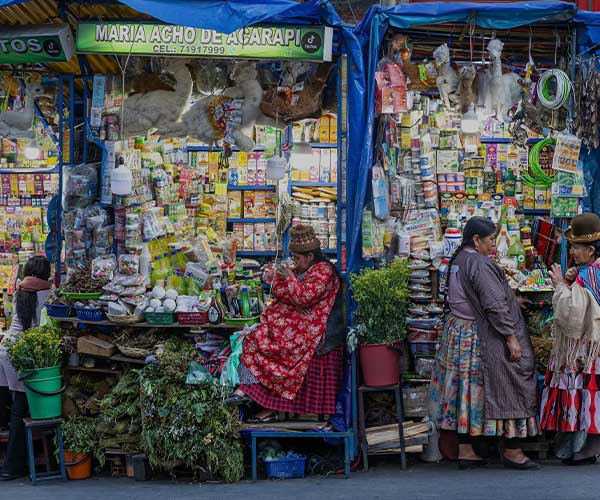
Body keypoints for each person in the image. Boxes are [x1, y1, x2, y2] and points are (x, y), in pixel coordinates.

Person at [429, 217, 539, 470]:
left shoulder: (460, 260)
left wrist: (514, 301)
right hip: (480, 337)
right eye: (490, 240)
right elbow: (493, 304)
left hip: (459, 334)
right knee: (507, 382)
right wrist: (511, 338)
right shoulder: (478, 263)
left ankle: (466, 449)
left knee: (465, 391)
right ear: (476, 240)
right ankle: (512, 450)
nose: (493, 245)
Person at [226, 224, 344, 423]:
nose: (295, 263)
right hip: (297, 322)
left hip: (312, 329)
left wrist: (291, 281)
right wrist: (289, 285)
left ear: (310, 256)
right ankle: (247, 390)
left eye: (298, 259)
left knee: (263, 342)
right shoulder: (304, 269)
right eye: (294, 259)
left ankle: (255, 397)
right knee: (254, 339)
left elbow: (303, 298)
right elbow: (281, 293)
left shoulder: (323, 271)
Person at [542, 213, 600, 465]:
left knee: (589, 396)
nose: (573, 251)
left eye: (576, 247)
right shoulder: (588, 271)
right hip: (592, 348)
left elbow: (573, 314)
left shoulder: (590, 275)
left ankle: (586, 449)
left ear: (590, 250)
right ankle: (585, 448)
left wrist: (560, 286)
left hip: (588, 350)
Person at [0, 256, 51, 480]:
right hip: (19, 353)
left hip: (5, 349)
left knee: (9, 407)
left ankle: (11, 463)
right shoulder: (47, 292)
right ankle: (12, 467)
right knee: (20, 409)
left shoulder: (22, 289)